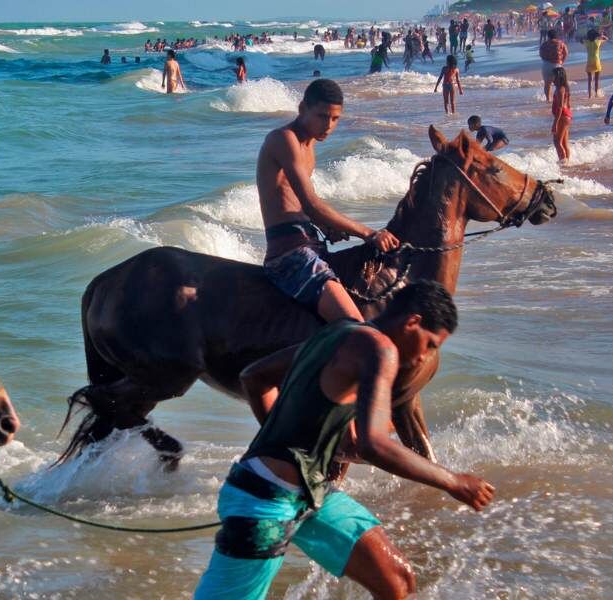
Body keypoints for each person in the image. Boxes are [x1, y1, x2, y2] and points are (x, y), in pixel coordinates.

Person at [194, 281, 495, 600]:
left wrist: (294, 442)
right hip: (264, 501)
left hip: (311, 493)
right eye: (431, 344)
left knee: (397, 582)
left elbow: (254, 377)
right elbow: (374, 445)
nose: (425, 358)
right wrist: (453, 482)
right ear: (413, 323)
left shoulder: (338, 333)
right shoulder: (381, 349)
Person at [254, 79, 399, 324]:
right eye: (322, 116)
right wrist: (369, 233)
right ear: (302, 109)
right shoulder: (283, 139)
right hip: (290, 254)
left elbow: (295, 205)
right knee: (356, 326)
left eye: (335, 119)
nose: (329, 126)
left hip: (311, 243)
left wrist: (327, 228)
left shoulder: (309, 146)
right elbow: (311, 204)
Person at [550, 67, 573, 163]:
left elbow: (559, 107)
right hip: (566, 115)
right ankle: (567, 161)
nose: (552, 78)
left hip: (562, 116)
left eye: (553, 76)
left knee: (557, 142)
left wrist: (555, 123)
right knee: (564, 142)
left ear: (558, 77)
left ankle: (563, 163)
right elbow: (569, 105)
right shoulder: (565, 88)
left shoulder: (560, 89)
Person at [539, 30, 568, 104]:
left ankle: (548, 99)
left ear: (548, 36)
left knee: (547, 84)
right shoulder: (560, 43)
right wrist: (562, 61)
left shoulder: (544, 44)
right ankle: (558, 99)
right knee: (559, 85)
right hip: (557, 65)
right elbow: (566, 53)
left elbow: (541, 54)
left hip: (546, 65)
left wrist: (546, 59)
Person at [584, 29, 608, 98]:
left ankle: (589, 95)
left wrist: (587, 37)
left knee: (589, 80)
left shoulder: (587, 42)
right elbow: (606, 39)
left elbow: (580, 40)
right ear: (595, 36)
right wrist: (601, 35)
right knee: (596, 80)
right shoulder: (598, 42)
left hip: (589, 62)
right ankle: (596, 94)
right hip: (597, 62)